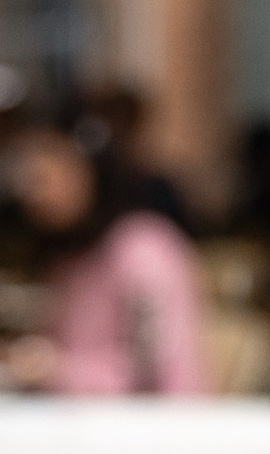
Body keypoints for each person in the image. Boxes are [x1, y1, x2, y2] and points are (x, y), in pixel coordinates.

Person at [2, 105, 209, 394]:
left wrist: (52, 369)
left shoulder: (143, 249)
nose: (35, 193)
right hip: (85, 426)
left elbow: (149, 376)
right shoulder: (73, 254)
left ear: (92, 171)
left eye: (46, 177)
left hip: (155, 429)